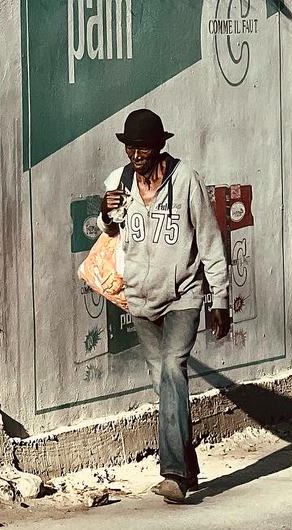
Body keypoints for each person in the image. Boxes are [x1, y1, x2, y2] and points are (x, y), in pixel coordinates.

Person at [98, 108, 231, 504]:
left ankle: (172, 472)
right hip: (140, 298)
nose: (135, 155)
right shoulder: (119, 182)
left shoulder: (186, 179)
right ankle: (187, 464)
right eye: (130, 148)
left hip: (183, 294)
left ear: (159, 147)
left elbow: (209, 238)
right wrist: (106, 213)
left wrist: (220, 297)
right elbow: (110, 229)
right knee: (163, 382)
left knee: (174, 367)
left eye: (143, 148)